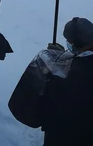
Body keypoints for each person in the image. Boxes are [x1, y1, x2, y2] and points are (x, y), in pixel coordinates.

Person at [35, 17, 93, 146]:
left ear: (79, 42)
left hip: (68, 134)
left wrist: (54, 64)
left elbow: (61, 93)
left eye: (70, 41)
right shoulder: (83, 60)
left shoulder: (78, 72)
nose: (68, 43)